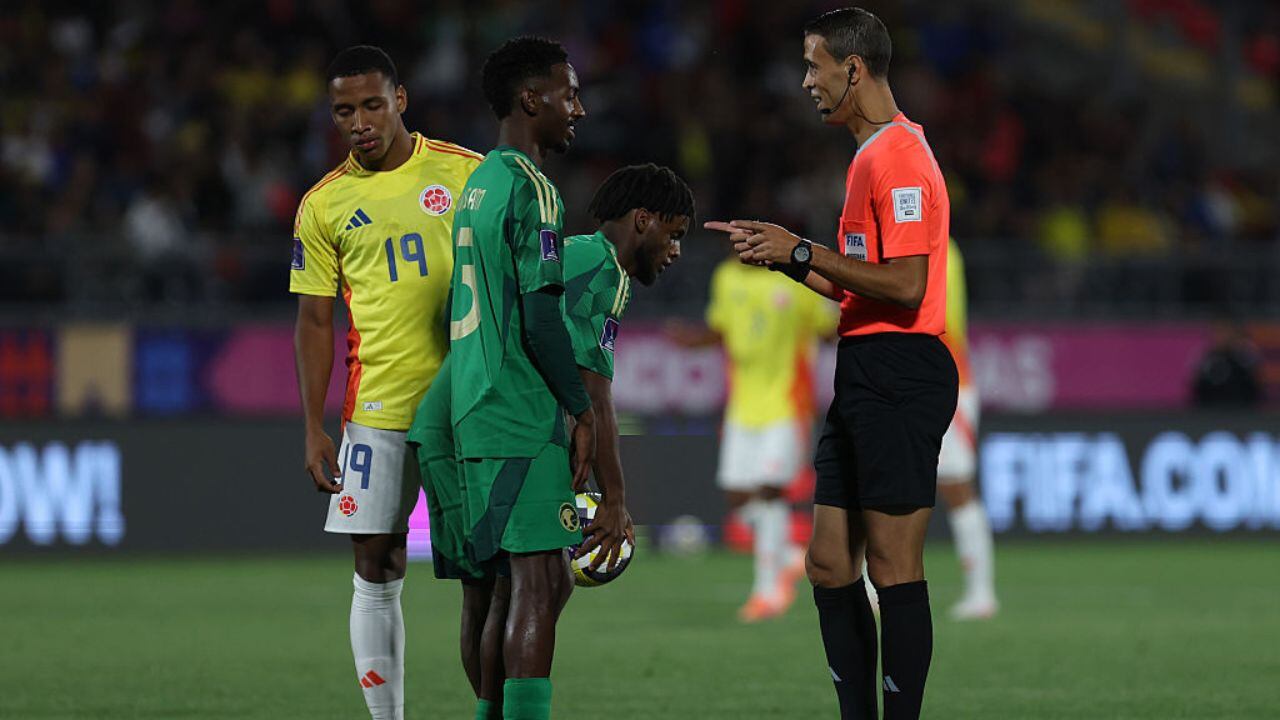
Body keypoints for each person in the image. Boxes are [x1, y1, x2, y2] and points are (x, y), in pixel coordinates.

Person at [707, 8, 956, 719]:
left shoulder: (899, 156)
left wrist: (803, 249)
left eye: (815, 66)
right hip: (865, 366)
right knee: (826, 562)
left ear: (854, 68)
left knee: (892, 566)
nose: (806, 81)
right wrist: (784, 258)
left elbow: (906, 287)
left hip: (902, 370)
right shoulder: (869, 156)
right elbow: (857, 280)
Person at [409, 162, 693, 719]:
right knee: (541, 583)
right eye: (675, 234)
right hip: (494, 422)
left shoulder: (569, 253)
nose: (677, 250)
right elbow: (595, 392)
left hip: (449, 420)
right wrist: (615, 500)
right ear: (643, 220)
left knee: (498, 592)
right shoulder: (603, 270)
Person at [290, 45, 481, 720]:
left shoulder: (467, 175)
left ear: (401, 100)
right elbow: (315, 321)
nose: (360, 121)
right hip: (376, 410)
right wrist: (315, 425)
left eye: (373, 104)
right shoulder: (323, 205)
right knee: (375, 565)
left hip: (470, 403)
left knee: (485, 573)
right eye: (345, 110)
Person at [413, 36, 593, 720]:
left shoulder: (479, 183)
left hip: (470, 404)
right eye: (567, 93)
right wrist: (581, 408)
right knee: (540, 584)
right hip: (514, 407)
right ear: (531, 99)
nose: (577, 108)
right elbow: (542, 317)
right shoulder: (530, 186)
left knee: (503, 589)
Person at [668, 253, 836, 622]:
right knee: (737, 494)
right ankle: (791, 556)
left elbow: (826, 330)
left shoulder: (797, 278)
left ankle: (768, 591)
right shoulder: (727, 276)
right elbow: (721, 328)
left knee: (769, 488)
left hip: (788, 404)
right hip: (743, 406)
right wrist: (692, 341)